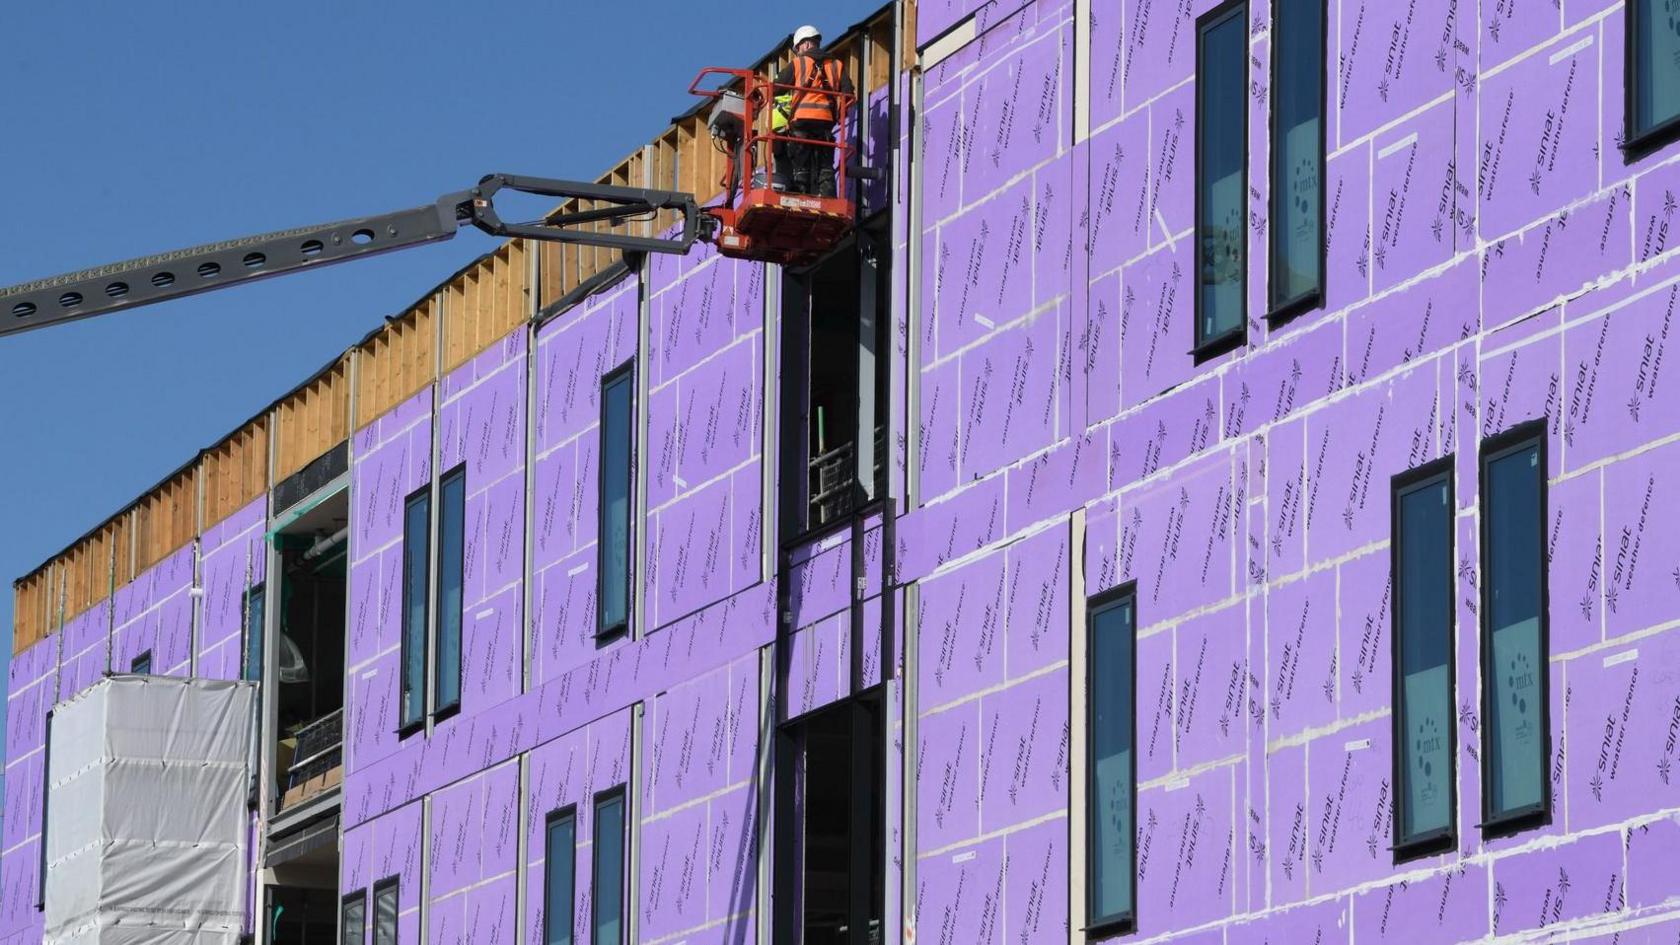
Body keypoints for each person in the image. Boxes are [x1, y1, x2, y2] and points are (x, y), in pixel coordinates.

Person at [774, 25, 853, 197]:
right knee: (825, 164)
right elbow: (849, 93)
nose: (797, 52)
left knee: (801, 163)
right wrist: (842, 113)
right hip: (825, 123)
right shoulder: (837, 65)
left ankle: (801, 195)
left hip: (802, 121)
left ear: (807, 44)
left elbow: (775, 88)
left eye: (798, 48)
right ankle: (827, 195)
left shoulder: (798, 63)